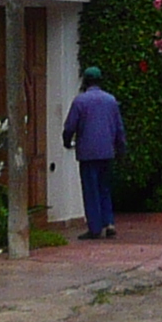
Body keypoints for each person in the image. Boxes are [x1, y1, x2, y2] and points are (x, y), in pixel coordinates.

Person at [61, 62, 126, 240]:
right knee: (105, 187)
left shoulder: (80, 101)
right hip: (107, 151)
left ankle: (95, 227)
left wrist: (66, 141)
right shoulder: (111, 100)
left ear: (85, 81)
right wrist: (121, 149)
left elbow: (70, 127)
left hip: (88, 153)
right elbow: (119, 128)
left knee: (91, 189)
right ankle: (109, 222)